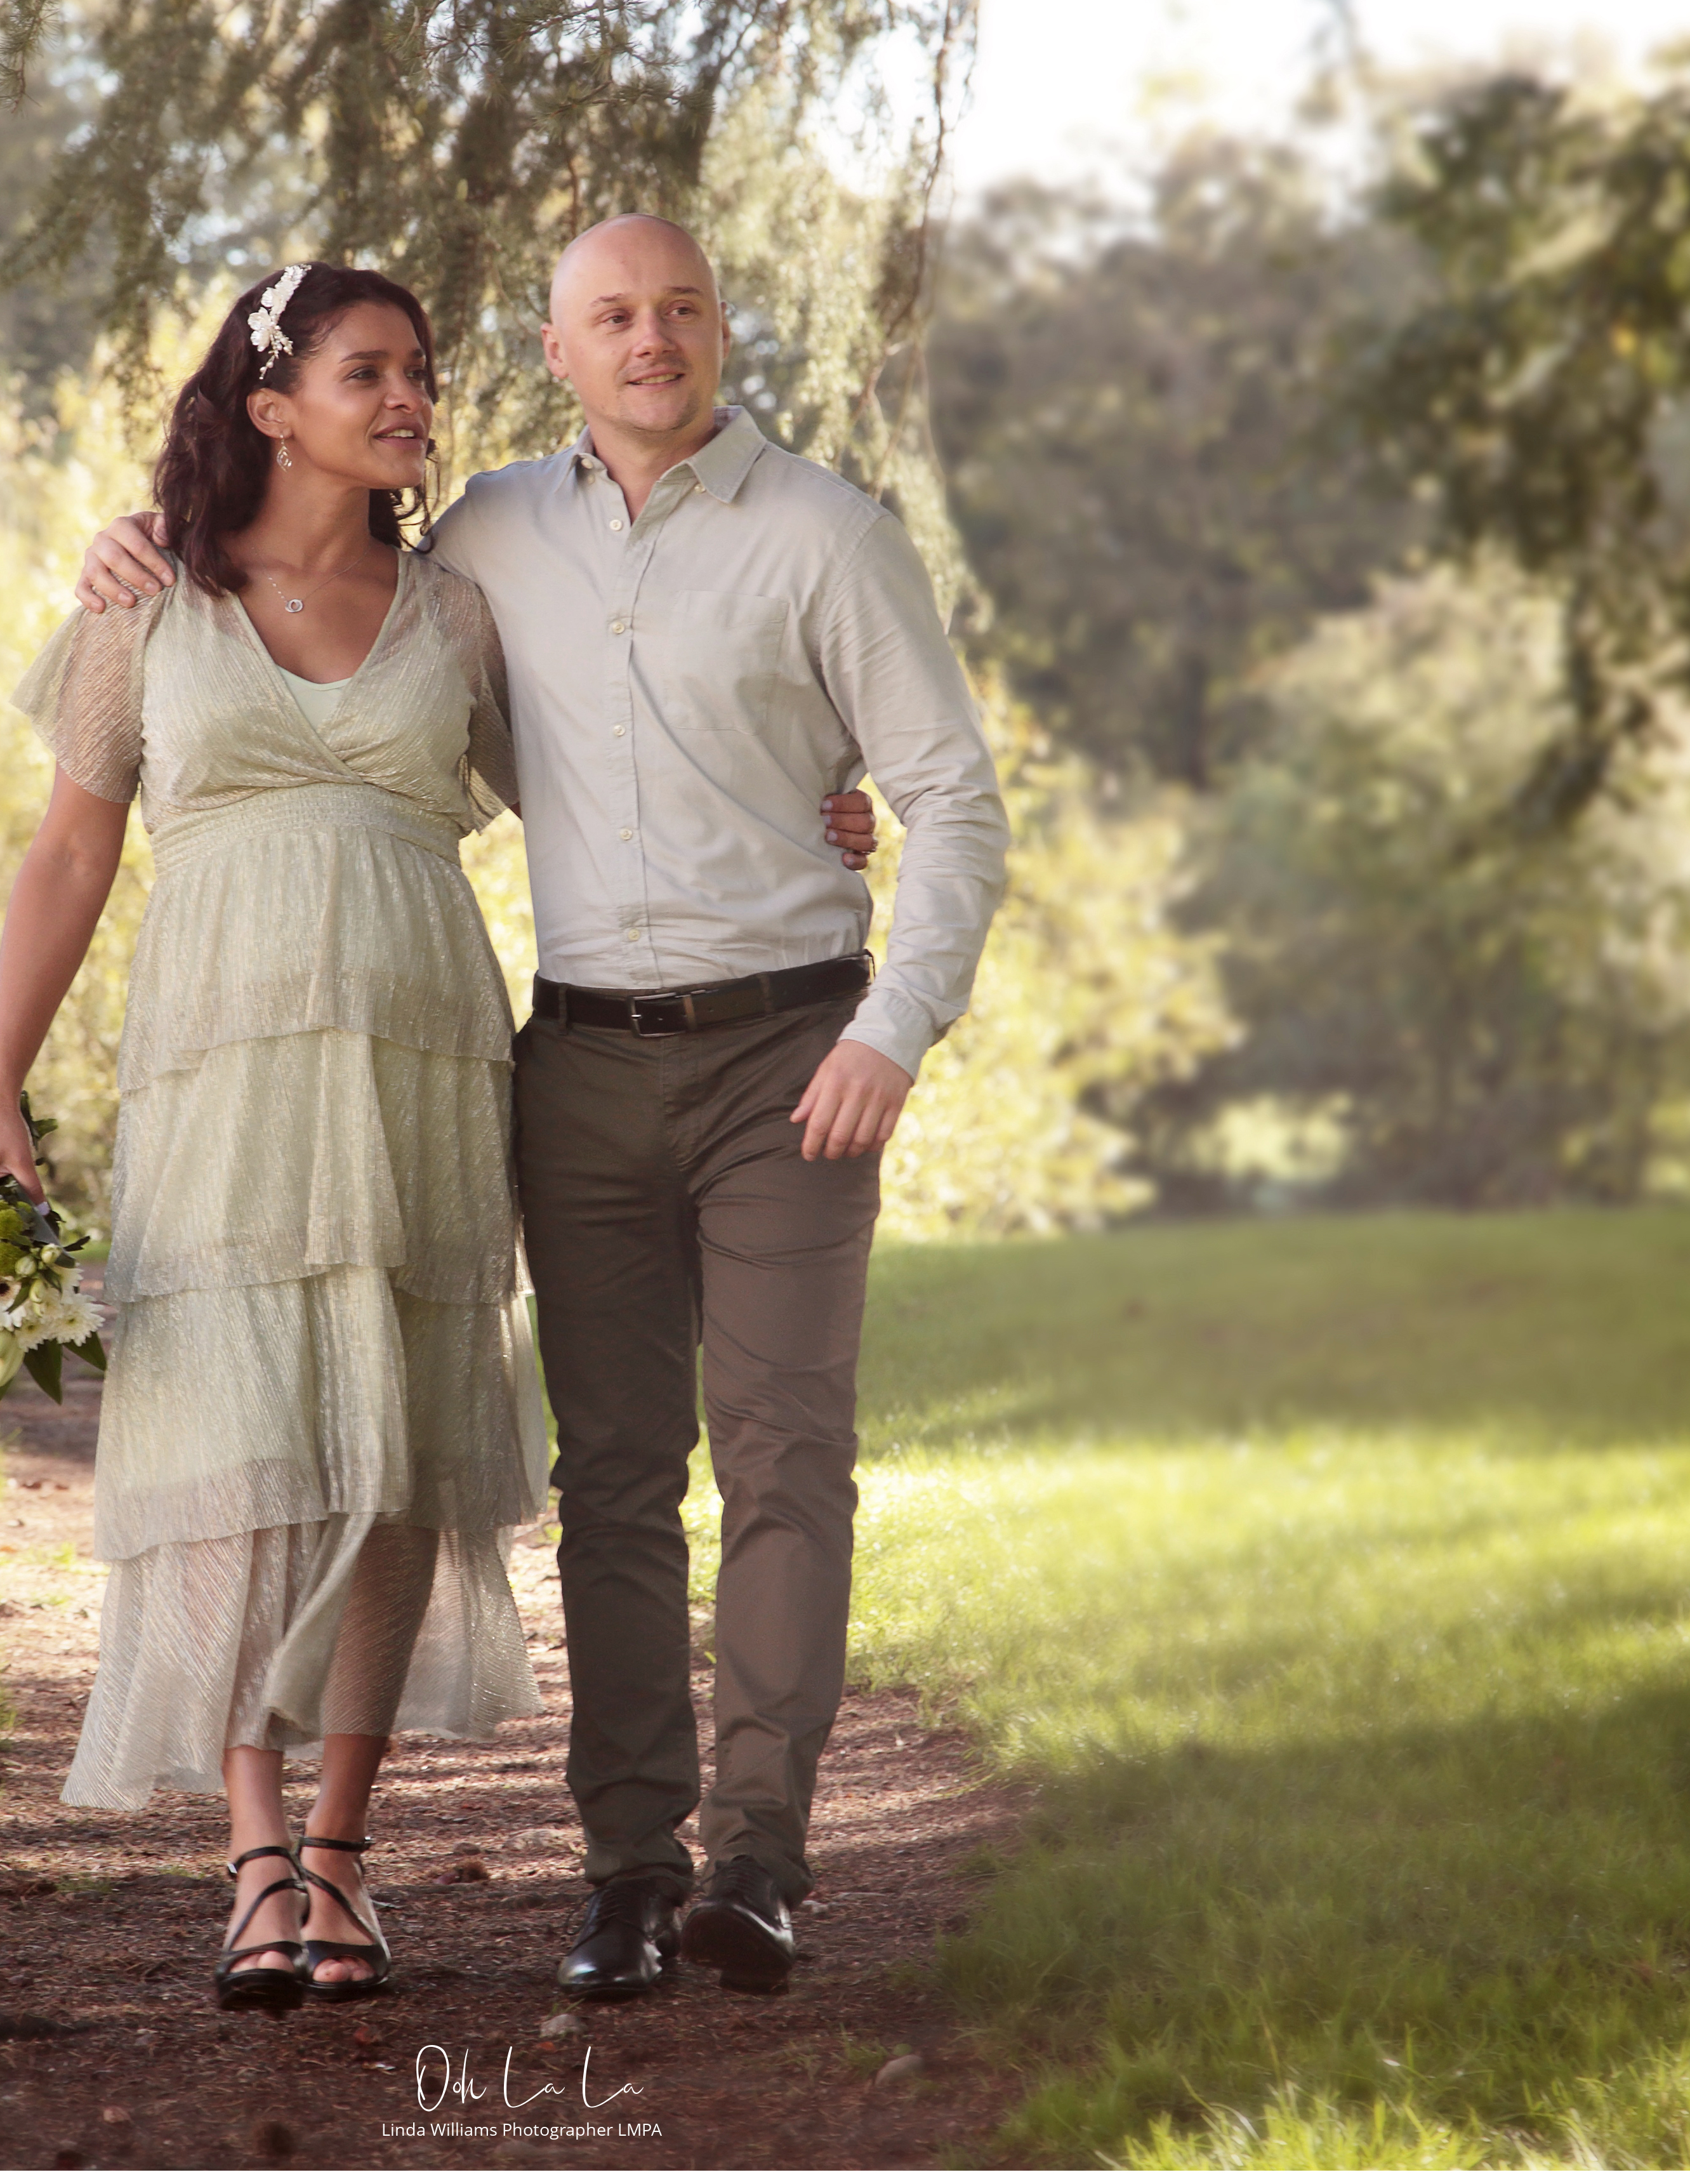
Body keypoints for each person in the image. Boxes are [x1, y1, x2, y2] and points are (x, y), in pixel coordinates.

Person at [70, 215, 1010, 2001]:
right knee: (612, 1484)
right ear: (561, 350)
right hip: (571, 1060)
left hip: (790, 1055)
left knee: (787, 1452)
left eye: (678, 310)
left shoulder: (826, 535)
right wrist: (137, 540)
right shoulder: (486, 535)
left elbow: (951, 796)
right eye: (609, 317)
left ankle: (757, 1861)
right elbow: (437, 730)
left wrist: (893, 1018)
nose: (648, 341)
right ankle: (628, 1871)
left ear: (720, 330)